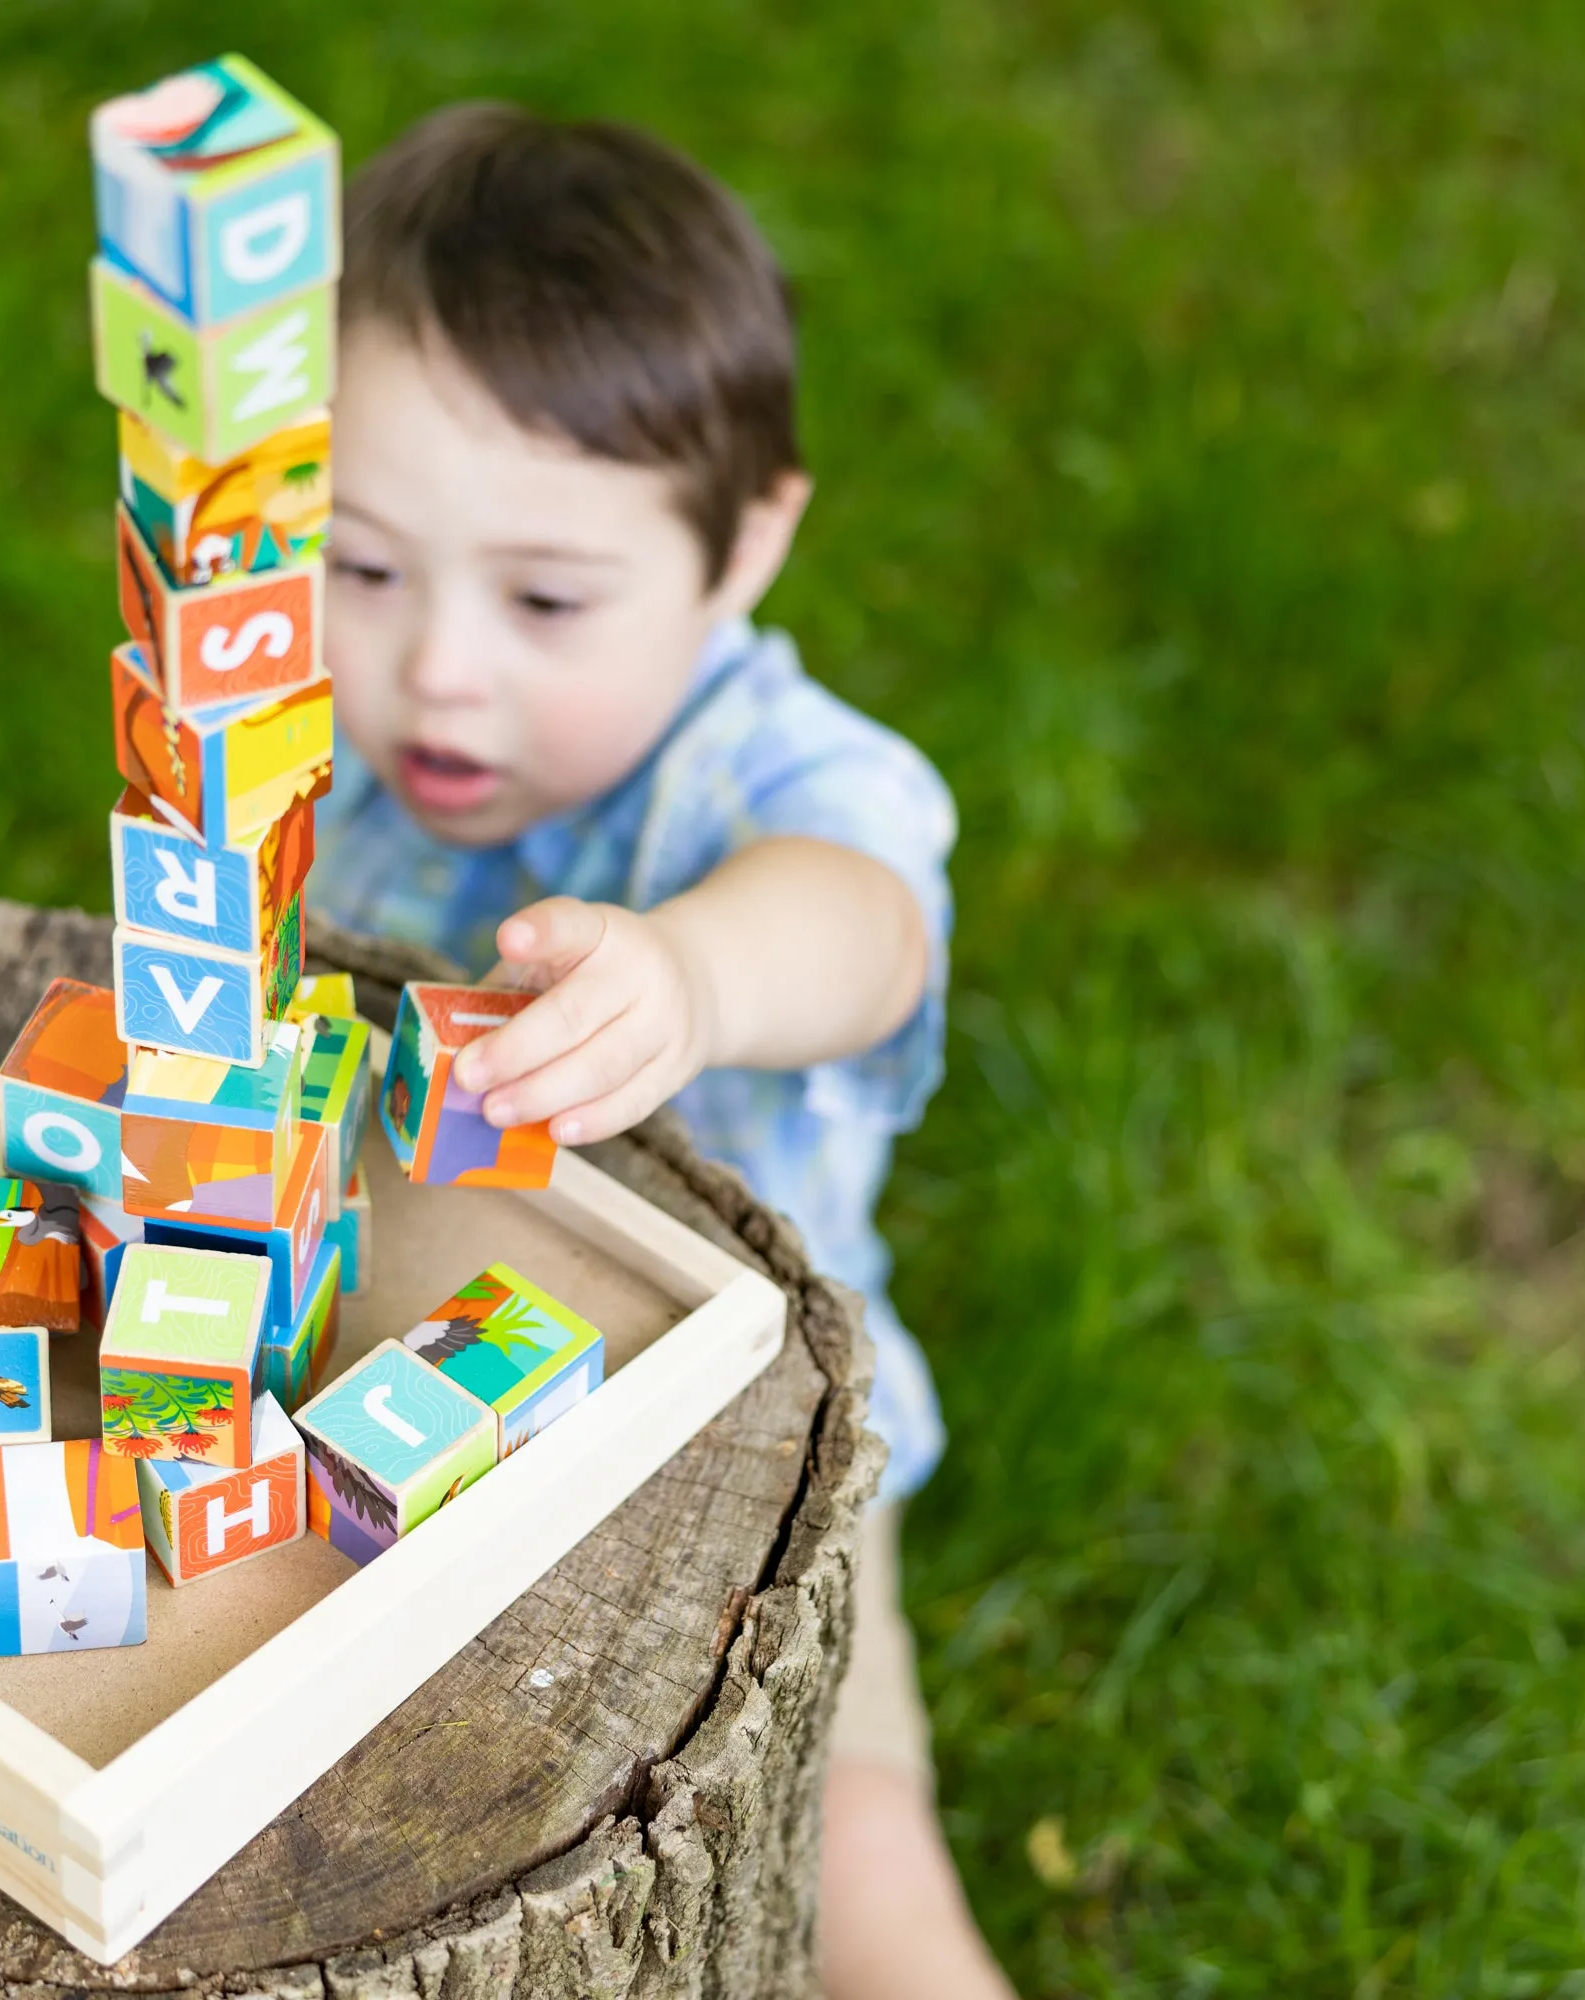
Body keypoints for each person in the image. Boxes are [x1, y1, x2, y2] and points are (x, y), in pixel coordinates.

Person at [309, 102, 1015, 2000]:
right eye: (359, 566)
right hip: (389, 1385)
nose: (439, 668)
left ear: (745, 543)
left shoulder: (763, 777)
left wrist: (695, 977)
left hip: (742, 1446)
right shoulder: (338, 751)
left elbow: (865, 926)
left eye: (545, 599)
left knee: (853, 1838)